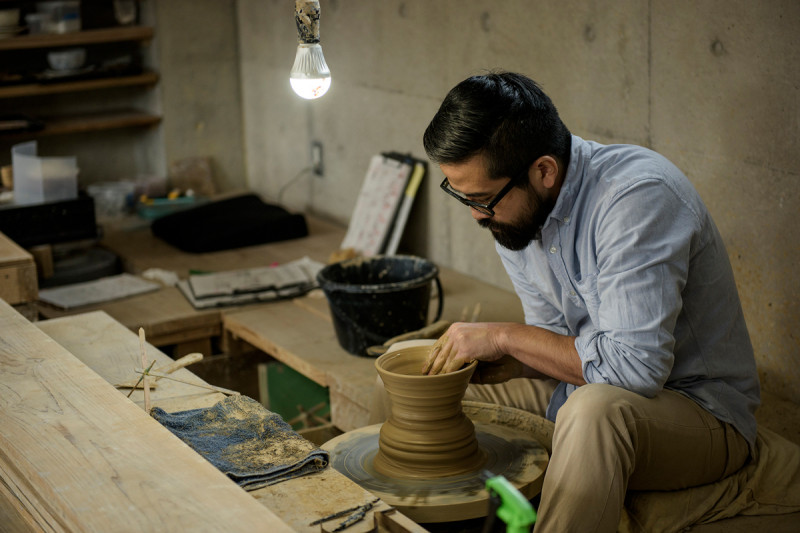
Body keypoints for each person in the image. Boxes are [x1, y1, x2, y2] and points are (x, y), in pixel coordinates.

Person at [421, 71, 761, 532]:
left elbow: (634, 370)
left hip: (699, 410)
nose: (477, 214)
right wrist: (517, 360)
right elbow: (558, 341)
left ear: (544, 170)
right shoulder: (514, 216)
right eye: (462, 196)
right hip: (589, 387)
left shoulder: (636, 199)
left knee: (592, 413)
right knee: (423, 381)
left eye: (483, 198)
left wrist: (505, 336)